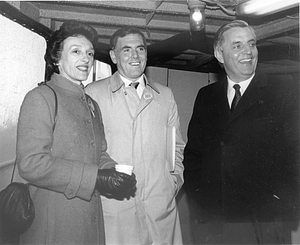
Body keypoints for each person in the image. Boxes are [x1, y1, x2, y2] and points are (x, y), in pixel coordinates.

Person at [16, 20, 136, 245]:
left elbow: (99, 154)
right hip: (54, 223)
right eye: (76, 52)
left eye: (90, 53)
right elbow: (31, 163)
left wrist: (114, 174)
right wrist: (95, 177)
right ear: (56, 58)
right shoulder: (41, 98)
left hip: (89, 219)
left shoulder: (91, 103)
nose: (86, 59)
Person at [183, 20, 299, 244]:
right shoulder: (206, 96)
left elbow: (296, 153)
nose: (248, 51)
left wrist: (280, 202)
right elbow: (194, 153)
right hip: (215, 221)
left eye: (252, 44)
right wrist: (199, 196)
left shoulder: (283, 90)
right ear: (219, 53)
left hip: (263, 222)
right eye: (237, 45)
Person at [85, 27, 185, 245]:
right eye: (126, 50)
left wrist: (172, 182)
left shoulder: (165, 96)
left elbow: (173, 147)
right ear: (113, 56)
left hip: (160, 205)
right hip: (115, 207)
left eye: (140, 49)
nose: (135, 56)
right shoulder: (94, 93)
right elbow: (88, 151)